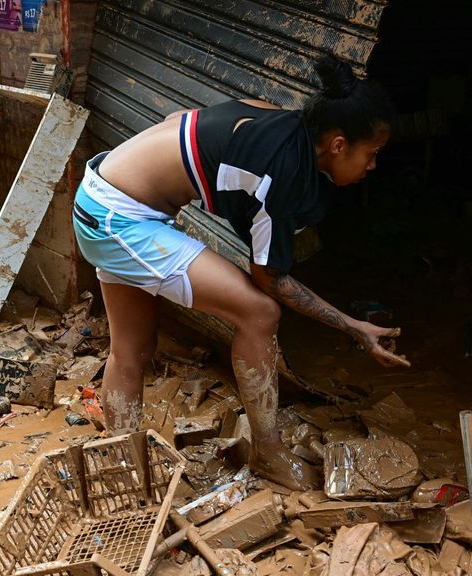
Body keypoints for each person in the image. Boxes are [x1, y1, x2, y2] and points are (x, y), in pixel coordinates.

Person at [72, 56, 409, 490]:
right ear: (339, 144)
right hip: (122, 220)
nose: (373, 167)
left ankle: (125, 472)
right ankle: (268, 452)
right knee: (260, 311)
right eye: (372, 154)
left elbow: (181, 119)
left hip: (100, 197)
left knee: (131, 350)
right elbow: (271, 279)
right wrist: (354, 328)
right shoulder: (283, 174)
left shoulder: (278, 119)